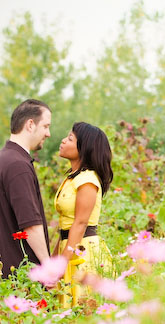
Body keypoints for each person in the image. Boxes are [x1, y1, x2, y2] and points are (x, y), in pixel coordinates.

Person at [0, 99, 52, 279]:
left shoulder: (2, 158)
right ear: (30, 125)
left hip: (0, 275)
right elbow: (30, 225)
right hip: (16, 280)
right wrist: (48, 267)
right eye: (45, 126)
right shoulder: (17, 165)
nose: (48, 133)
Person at [54, 122, 114, 306]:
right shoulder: (73, 178)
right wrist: (54, 259)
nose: (63, 141)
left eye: (70, 138)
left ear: (84, 148)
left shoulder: (87, 180)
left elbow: (80, 224)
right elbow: (66, 226)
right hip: (70, 246)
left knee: (82, 312)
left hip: (82, 252)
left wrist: (62, 263)